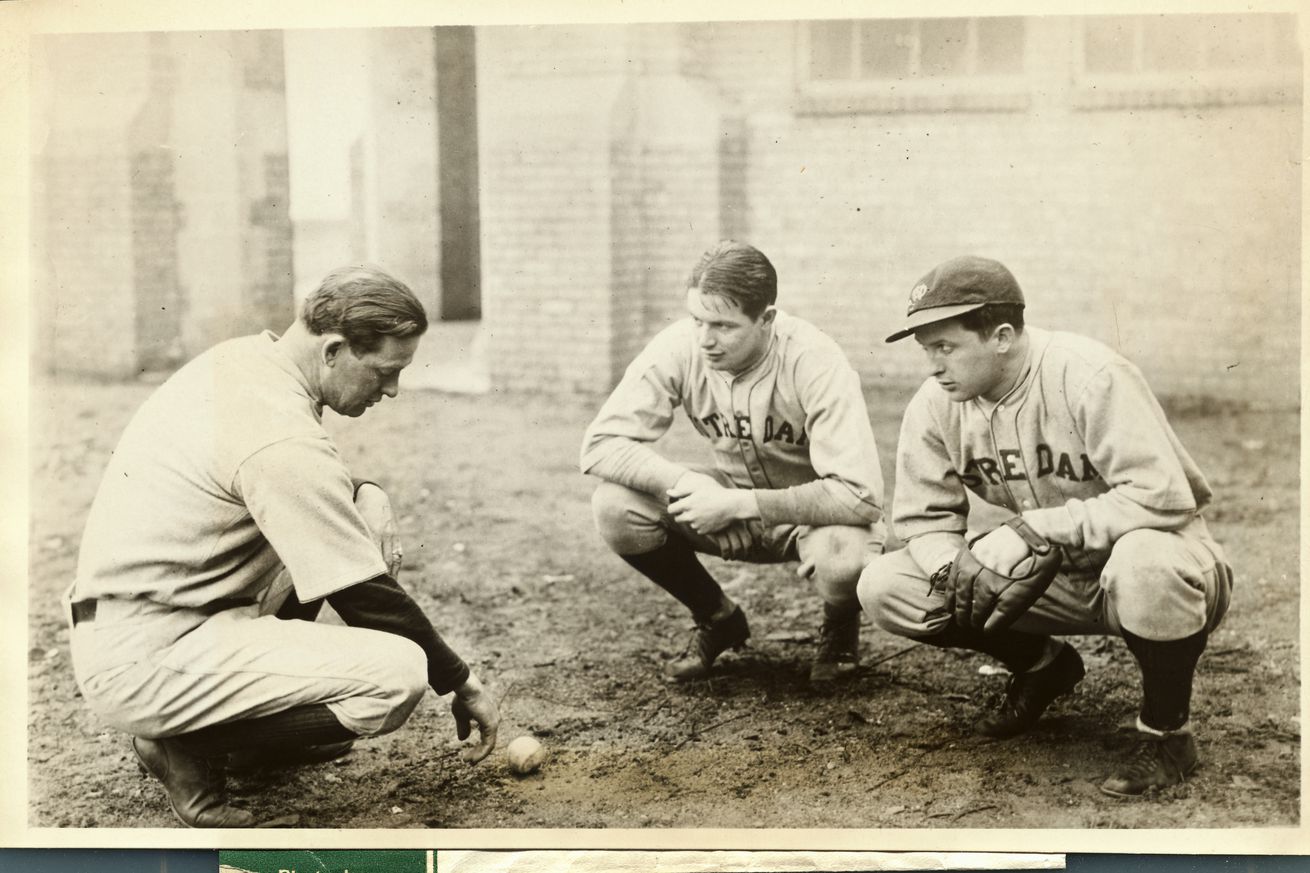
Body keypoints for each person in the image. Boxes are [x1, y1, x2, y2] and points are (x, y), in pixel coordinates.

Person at [64, 265, 500, 827]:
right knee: (398, 675)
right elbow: (361, 593)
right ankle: (185, 744)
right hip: (147, 654)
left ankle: (249, 739)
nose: (392, 389)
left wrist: (366, 490)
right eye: (386, 371)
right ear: (334, 349)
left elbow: (290, 481)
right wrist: (461, 682)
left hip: (140, 614)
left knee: (345, 522)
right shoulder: (281, 435)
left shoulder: (242, 361)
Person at [858, 255, 1232, 796]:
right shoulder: (936, 405)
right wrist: (954, 566)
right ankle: (1043, 667)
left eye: (945, 347)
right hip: (1055, 577)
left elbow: (1164, 498)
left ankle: (1167, 733)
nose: (933, 366)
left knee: (1145, 563)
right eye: (926, 351)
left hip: (1165, 566)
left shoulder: (1089, 376)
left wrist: (1036, 529)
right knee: (888, 586)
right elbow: (923, 519)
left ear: (1002, 336)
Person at [581, 240, 886, 684]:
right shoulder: (680, 346)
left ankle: (840, 628)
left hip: (810, 519)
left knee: (844, 558)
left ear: (767, 319)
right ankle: (717, 617)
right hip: (720, 503)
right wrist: (689, 483)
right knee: (613, 506)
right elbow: (600, 443)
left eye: (723, 325)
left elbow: (860, 497)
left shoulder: (814, 360)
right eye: (697, 320)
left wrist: (743, 504)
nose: (705, 339)